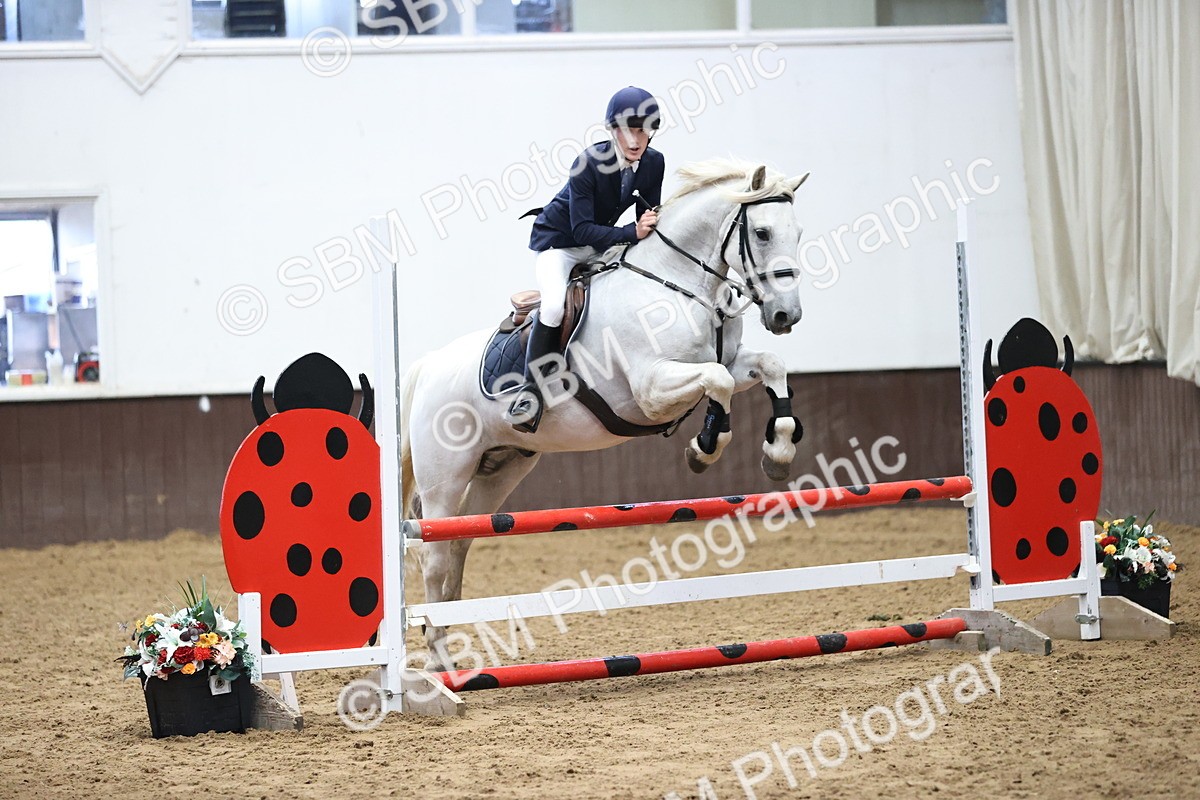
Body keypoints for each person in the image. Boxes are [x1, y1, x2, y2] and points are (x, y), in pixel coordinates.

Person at [505, 86, 666, 433]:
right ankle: (529, 395)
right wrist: (630, 233)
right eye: (626, 130)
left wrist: (652, 226)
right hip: (560, 245)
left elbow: (646, 215)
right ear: (612, 131)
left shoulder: (654, 163)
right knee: (551, 309)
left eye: (642, 130)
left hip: (603, 243)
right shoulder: (588, 163)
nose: (635, 140)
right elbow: (581, 231)